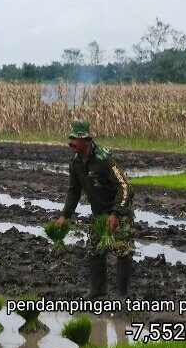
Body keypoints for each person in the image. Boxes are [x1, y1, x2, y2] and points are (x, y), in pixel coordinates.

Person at [56, 119, 135, 301]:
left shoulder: (104, 159)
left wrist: (116, 214)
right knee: (95, 249)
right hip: (98, 213)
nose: (71, 143)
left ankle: (122, 294)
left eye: (75, 139)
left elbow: (125, 187)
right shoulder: (75, 163)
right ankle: (97, 289)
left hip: (119, 210)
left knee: (122, 249)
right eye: (70, 138)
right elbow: (74, 191)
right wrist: (65, 215)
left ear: (86, 140)